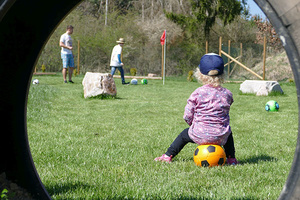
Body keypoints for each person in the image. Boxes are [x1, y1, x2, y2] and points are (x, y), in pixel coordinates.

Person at [154, 53, 238, 165]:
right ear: (223, 74)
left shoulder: (197, 93)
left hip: (199, 133)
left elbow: (187, 115)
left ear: (200, 74)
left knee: (184, 135)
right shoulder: (227, 93)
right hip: (221, 135)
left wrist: (193, 124)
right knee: (228, 132)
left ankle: (168, 156)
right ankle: (231, 158)